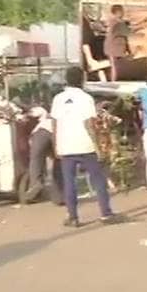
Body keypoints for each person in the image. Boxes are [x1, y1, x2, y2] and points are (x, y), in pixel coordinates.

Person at [51, 67, 122, 227]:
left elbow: (54, 123)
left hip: (65, 145)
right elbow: (89, 124)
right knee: (98, 179)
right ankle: (105, 213)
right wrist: (97, 145)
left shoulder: (58, 99)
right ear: (82, 80)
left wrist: (56, 145)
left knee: (69, 181)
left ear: (67, 80)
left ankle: (73, 217)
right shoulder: (86, 98)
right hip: (85, 145)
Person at [22, 106, 63, 205]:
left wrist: (26, 114)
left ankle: (36, 184)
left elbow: (34, 113)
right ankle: (59, 197)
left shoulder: (40, 111)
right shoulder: (54, 115)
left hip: (43, 132)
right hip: (58, 133)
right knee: (59, 163)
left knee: (36, 160)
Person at [104, 4, 132, 82]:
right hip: (112, 47)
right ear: (118, 12)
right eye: (122, 11)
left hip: (115, 47)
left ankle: (113, 80)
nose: (123, 13)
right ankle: (113, 81)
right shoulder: (115, 22)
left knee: (115, 66)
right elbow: (128, 32)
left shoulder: (117, 21)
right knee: (114, 66)